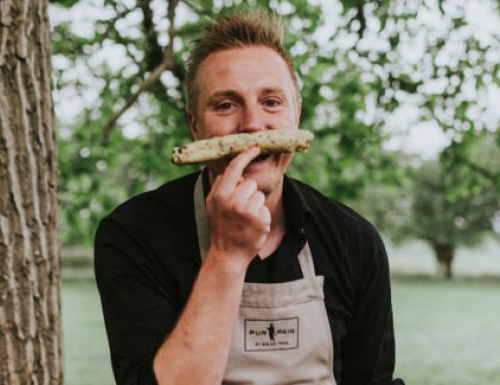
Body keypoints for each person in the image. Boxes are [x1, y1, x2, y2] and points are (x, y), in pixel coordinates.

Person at [94, 6, 405, 385]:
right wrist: (226, 256)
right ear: (196, 125)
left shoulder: (354, 241)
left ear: (296, 115)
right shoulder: (133, 236)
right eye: (226, 104)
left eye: (271, 102)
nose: (253, 124)